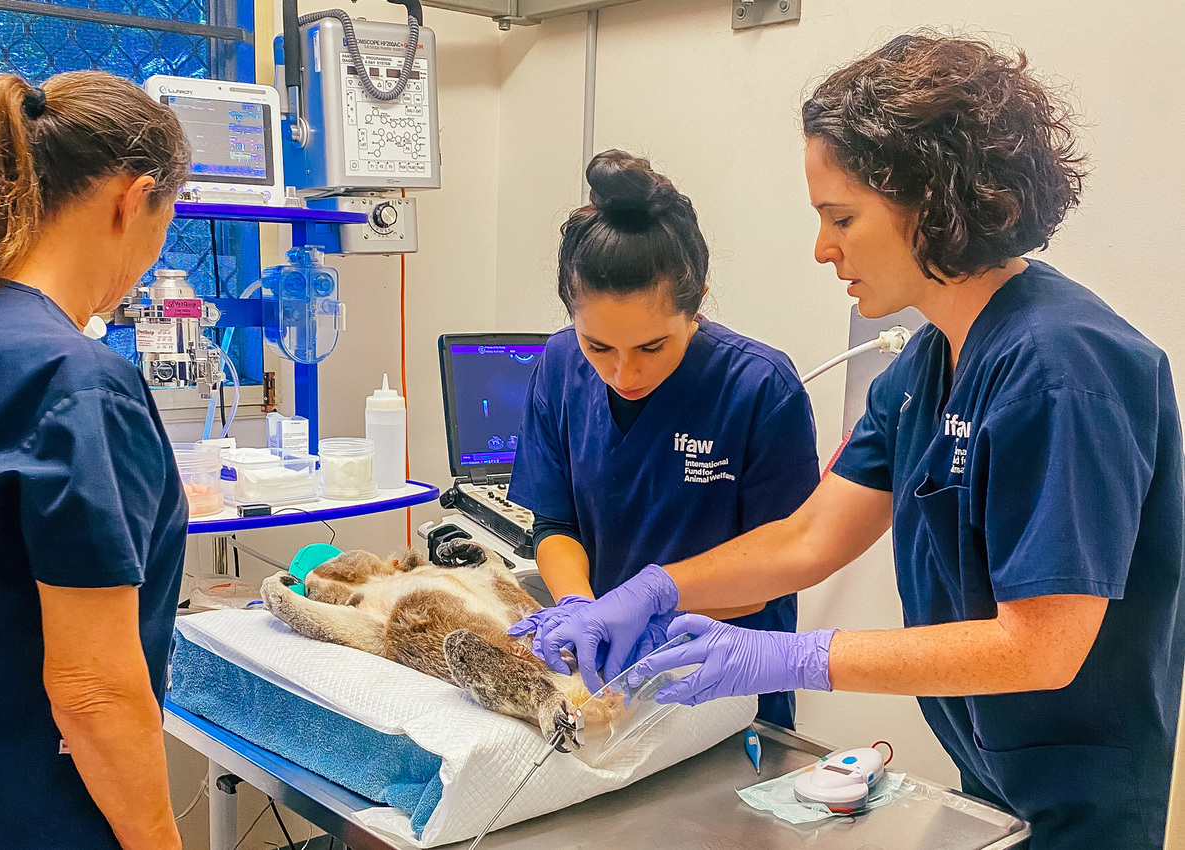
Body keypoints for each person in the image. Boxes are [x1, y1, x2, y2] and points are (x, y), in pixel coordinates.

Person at [529, 34, 1183, 849]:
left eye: (841, 218)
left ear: (936, 204)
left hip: (1079, 796)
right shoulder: (922, 365)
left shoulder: (1062, 367)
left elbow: (1042, 646)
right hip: (990, 771)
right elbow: (808, 538)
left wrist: (797, 658)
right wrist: (653, 591)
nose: (822, 248)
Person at [0, 71, 191, 848]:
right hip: (38, 808)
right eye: (169, 219)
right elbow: (92, 692)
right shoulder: (73, 379)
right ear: (133, 199)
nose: (155, 256)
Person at [505, 150, 820, 729]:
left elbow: (780, 564)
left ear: (696, 302)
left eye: (652, 347)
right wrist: (580, 607)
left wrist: (654, 610)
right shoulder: (557, 366)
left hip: (725, 686)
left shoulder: (758, 388)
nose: (624, 375)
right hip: (606, 680)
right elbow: (555, 523)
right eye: (598, 347)